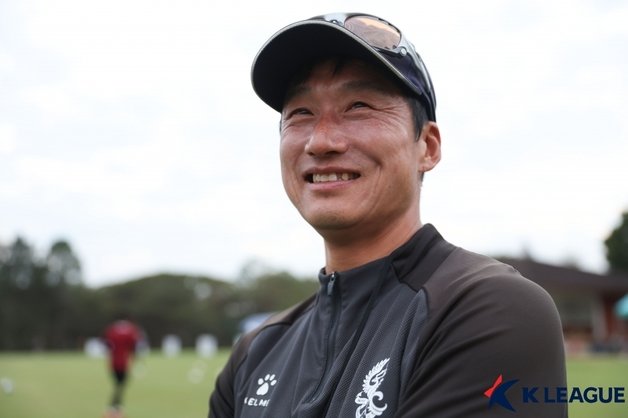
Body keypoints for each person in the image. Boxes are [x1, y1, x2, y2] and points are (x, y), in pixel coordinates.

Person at [209, 13, 567, 417]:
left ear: (428, 146)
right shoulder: (256, 352)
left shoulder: (491, 308)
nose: (320, 141)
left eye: (358, 106)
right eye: (301, 113)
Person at [103, 318, 140, 416]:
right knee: (120, 385)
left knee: (119, 385)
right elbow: (134, 348)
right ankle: (114, 407)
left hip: (113, 363)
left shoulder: (112, 331)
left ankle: (116, 407)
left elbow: (107, 346)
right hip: (124, 363)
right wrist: (135, 361)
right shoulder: (131, 331)